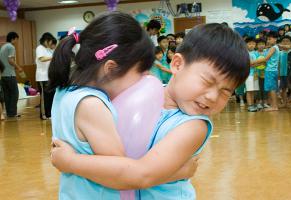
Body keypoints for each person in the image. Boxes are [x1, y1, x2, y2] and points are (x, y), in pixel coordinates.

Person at [51, 23, 250, 200]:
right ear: (177, 64)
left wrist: (71, 162)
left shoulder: (194, 126)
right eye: (207, 81)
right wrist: (177, 172)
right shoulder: (135, 92)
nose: (213, 97)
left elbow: (143, 174)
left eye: (226, 91)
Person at [48, 12, 195, 200]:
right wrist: (179, 172)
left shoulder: (64, 92)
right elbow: (121, 176)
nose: (145, 79)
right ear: (111, 69)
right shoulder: (92, 105)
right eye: (140, 72)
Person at [253, 31, 280, 111]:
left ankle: (274, 106)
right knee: (272, 88)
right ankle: (273, 105)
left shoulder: (273, 48)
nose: (268, 41)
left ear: (275, 39)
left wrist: (252, 62)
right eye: (267, 39)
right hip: (272, 70)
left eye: (269, 39)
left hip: (270, 71)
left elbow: (266, 59)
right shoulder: (274, 47)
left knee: (272, 89)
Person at [0, 32, 23, 118]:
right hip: (10, 74)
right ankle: (12, 113)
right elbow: (10, 60)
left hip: (2, 75)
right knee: (14, 93)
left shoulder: (2, 47)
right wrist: (18, 67)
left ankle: (9, 112)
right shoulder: (11, 47)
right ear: (13, 39)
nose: (17, 41)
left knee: (7, 94)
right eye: (17, 39)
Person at [36, 32, 55, 120]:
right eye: (50, 41)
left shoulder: (48, 49)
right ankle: (44, 114)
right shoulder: (40, 48)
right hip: (42, 77)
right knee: (44, 97)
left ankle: (49, 114)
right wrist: (54, 57)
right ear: (46, 40)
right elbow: (42, 59)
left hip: (49, 76)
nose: (51, 43)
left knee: (50, 96)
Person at [245, 37, 260, 112]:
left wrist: (256, 63)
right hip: (249, 74)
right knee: (249, 90)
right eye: (249, 44)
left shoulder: (256, 53)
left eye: (253, 44)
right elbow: (250, 64)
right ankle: (250, 105)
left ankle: (253, 104)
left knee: (253, 90)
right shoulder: (245, 53)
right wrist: (258, 62)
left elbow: (256, 63)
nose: (251, 45)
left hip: (255, 74)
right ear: (246, 44)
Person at [279, 36, 291, 108]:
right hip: (282, 74)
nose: (285, 42)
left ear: (290, 42)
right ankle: (284, 103)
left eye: (287, 41)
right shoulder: (279, 53)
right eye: (283, 41)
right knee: (283, 89)